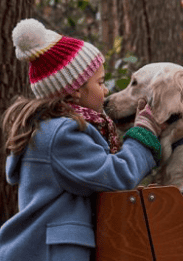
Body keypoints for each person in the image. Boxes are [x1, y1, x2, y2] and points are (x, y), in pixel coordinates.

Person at [0, 18, 163, 261]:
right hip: (53, 253)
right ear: (75, 89)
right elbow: (116, 175)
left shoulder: (50, 129)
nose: (106, 90)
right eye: (100, 82)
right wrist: (144, 134)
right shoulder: (62, 135)